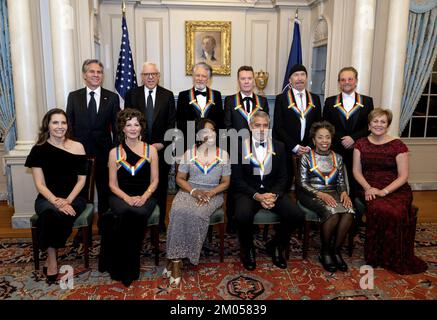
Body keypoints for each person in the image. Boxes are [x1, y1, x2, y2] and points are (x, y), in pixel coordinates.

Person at [353, 108, 427, 274]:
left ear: (387, 125)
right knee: (379, 209)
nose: (379, 125)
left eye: (383, 122)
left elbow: (403, 176)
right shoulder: (360, 144)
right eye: (375, 121)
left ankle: (395, 255)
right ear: (369, 124)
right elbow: (356, 171)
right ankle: (375, 256)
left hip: (396, 188)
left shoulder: (398, 145)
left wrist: (384, 191)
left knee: (397, 211)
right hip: (369, 186)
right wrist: (368, 188)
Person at [232, 111, 304, 271]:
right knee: (242, 215)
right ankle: (248, 249)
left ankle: (276, 246)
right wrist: (257, 196)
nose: (262, 129)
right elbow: (237, 180)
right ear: (251, 127)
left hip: (273, 192)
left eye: (265, 125)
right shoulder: (238, 147)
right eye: (258, 125)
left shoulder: (279, 146)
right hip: (249, 192)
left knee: (296, 215)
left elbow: (283, 177)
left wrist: (274, 195)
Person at [164, 119, 230, 288]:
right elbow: (179, 179)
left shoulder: (224, 154)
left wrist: (211, 192)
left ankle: (177, 258)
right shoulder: (188, 153)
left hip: (212, 194)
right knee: (178, 210)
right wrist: (194, 192)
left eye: (213, 130)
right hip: (189, 190)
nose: (210, 134)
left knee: (197, 214)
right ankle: (175, 260)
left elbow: (225, 182)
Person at [25, 108, 87, 284]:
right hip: (47, 198)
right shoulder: (38, 150)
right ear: (48, 125)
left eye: (63, 122)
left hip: (74, 197)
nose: (60, 126)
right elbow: (40, 184)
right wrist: (56, 201)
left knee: (59, 214)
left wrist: (67, 200)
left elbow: (82, 181)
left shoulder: (78, 146)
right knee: (51, 213)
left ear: (67, 125)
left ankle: (49, 259)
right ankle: (52, 260)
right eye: (55, 122)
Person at [98, 108, 159, 287]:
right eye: (128, 124)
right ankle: (126, 266)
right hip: (120, 196)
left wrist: (144, 196)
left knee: (137, 214)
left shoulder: (151, 151)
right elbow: (112, 185)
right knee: (128, 213)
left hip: (146, 195)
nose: (133, 128)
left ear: (141, 128)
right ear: (122, 128)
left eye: (136, 124)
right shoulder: (114, 153)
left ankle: (128, 267)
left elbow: (155, 181)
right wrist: (127, 198)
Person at [66, 59, 120, 224]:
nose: (96, 75)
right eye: (92, 72)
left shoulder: (111, 98)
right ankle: (81, 226)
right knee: (80, 191)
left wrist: (116, 153)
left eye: (99, 72)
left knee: (104, 190)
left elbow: (117, 129)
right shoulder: (74, 97)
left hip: (104, 154)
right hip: (79, 155)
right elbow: (69, 125)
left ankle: (103, 225)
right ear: (84, 75)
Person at [125, 62, 176, 232]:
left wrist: (161, 144)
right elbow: (127, 122)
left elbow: (171, 123)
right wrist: (139, 145)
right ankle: (141, 221)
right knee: (140, 185)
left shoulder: (167, 95)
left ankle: (160, 222)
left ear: (158, 75)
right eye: (147, 74)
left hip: (161, 150)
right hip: (136, 151)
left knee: (160, 187)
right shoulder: (132, 94)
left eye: (154, 74)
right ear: (142, 76)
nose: (151, 77)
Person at [297, 121, 355, 272]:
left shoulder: (338, 158)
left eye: (327, 137)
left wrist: (343, 193)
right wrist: (320, 194)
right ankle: (325, 252)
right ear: (314, 140)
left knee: (349, 211)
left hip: (334, 193)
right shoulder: (306, 157)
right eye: (320, 137)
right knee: (332, 213)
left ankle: (335, 251)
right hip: (311, 194)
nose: (324, 141)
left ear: (331, 139)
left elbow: (341, 182)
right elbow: (302, 183)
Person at [224, 65, 269, 233]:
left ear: (254, 81)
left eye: (249, 78)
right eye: (243, 78)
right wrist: (242, 143)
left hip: (258, 150)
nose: (246, 81)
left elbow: (266, 125)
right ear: (238, 81)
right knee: (235, 186)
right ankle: (232, 222)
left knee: (255, 183)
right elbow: (227, 126)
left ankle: (253, 220)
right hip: (236, 149)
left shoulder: (262, 101)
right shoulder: (230, 100)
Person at [323, 67, 374, 200]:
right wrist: (341, 139)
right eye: (343, 79)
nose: (346, 82)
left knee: (355, 183)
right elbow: (326, 125)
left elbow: (369, 126)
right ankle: (336, 209)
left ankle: (355, 212)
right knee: (333, 181)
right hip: (335, 148)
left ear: (356, 81)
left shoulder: (367, 101)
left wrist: (353, 138)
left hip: (358, 149)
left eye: (350, 79)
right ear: (339, 83)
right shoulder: (330, 101)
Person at [273, 64, 322, 190]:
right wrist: (295, 147)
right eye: (296, 75)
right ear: (290, 80)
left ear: (306, 78)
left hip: (309, 150)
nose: (299, 78)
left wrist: (309, 146)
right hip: (288, 149)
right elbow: (278, 127)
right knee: (285, 184)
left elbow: (318, 126)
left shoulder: (315, 99)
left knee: (309, 186)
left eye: (302, 75)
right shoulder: (281, 99)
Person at [176, 62, 224, 153]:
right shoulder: (183, 95)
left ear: (209, 79)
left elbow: (220, 122)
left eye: (204, 76)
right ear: (193, 77)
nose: (200, 79)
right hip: (189, 144)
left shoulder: (216, 95)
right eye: (197, 75)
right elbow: (180, 123)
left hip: (212, 143)